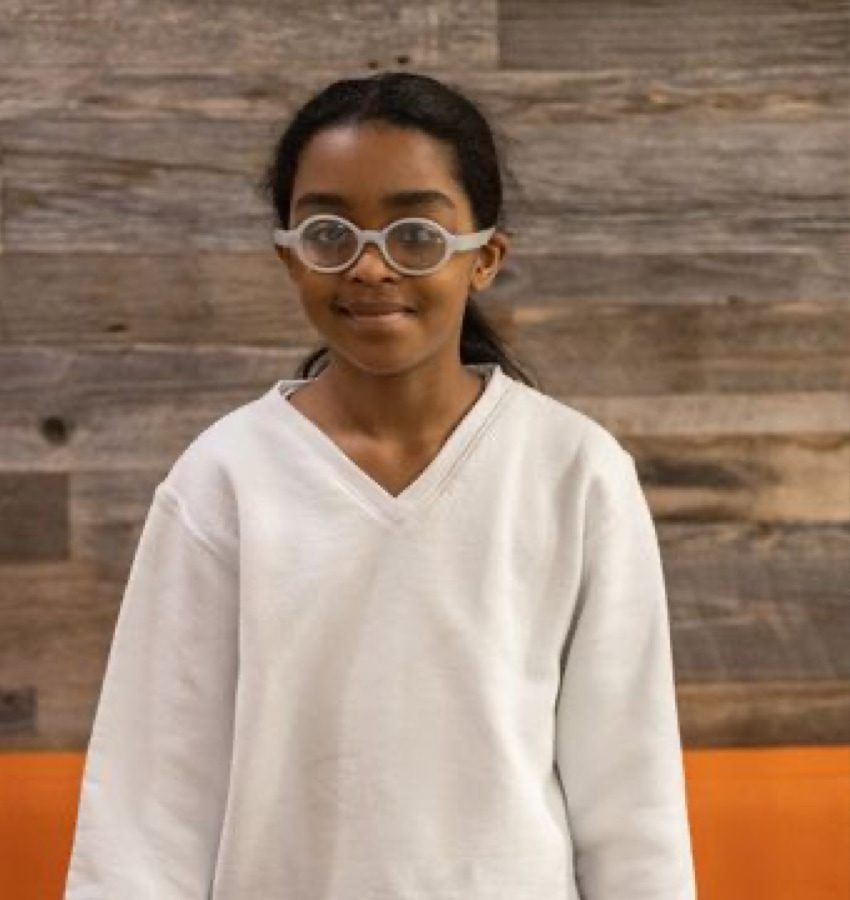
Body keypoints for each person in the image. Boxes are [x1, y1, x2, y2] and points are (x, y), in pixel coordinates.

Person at [64, 71, 697, 899]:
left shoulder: (574, 474)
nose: (369, 267)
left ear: (486, 259)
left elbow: (631, 795)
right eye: (328, 233)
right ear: (288, 257)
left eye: (416, 235)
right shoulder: (224, 480)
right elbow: (150, 807)